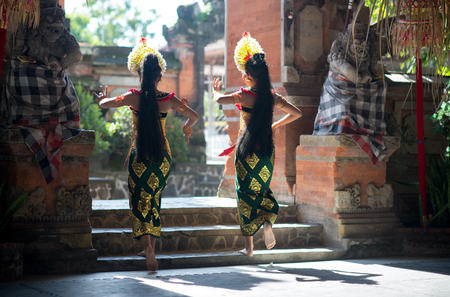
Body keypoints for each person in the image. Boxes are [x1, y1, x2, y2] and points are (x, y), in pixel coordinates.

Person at [95, 47, 199, 271]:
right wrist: (185, 127)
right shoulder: (170, 100)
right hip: (162, 158)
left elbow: (105, 104)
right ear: (159, 76)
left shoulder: (133, 97)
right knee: (153, 198)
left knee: (139, 200)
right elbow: (194, 116)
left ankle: (147, 247)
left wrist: (103, 99)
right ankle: (150, 246)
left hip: (139, 156)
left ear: (140, 75)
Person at [213, 33, 302, 257]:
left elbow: (220, 100)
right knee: (262, 190)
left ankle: (249, 248)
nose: (244, 77)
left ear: (250, 77)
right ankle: (268, 222)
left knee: (245, 194)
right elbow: (297, 114)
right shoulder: (273, 98)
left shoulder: (243, 96)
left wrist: (216, 91)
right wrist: (276, 125)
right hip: (266, 152)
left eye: (246, 74)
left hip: (246, 150)